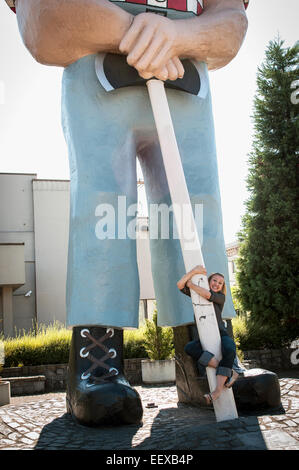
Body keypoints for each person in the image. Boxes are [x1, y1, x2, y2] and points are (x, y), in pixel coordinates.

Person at [5, 0, 249, 425]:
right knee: (105, 212)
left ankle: (209, 356)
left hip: (188, 80)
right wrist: (142, 32)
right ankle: (97, 360)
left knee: (197, 212)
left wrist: (177, 35)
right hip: (97, 77)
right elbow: (42, 19)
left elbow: (230, 22)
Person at [177, 265, 239, 404]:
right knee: (190, 348)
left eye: (220, 283)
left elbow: (207, 295)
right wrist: (194, 272)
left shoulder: (220, 297)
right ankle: (229, 372)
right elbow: (180, 284)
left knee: (230, 349)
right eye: (214, 281)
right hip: (203, 335)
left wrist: (191, 284)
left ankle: (216, 392)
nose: (216, 284)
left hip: (220, 333)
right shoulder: (195, 293)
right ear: (208, 280)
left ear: (222, 286)